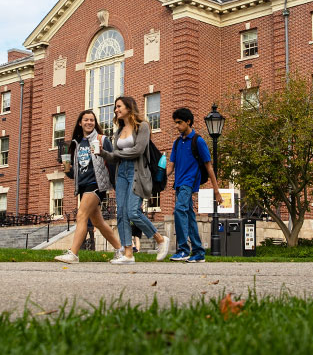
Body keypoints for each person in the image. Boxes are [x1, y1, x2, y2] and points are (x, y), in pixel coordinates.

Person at [98, 97, 171, 264]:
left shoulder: (142, 126)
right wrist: (103, 153)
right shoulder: (118, 131)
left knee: (133, 211)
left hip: (136, 172)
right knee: (121, 213)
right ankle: (128, 254)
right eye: (115, 107)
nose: (115, 110)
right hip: (121, 172)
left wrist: (115, 154)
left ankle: (160, 239)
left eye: (118, 106)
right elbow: (114, 157)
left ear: (129, 108)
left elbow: (138, 150)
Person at [54, 110, 124, 264]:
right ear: (80, 122)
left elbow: (112, 162)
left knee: (81, 216)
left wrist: (116, 185)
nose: (89, 122)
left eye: (92, 120)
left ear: (95, 123)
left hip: (96, 185)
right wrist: (67, 170)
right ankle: (120, 250)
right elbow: (75, 173)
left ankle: (73, 254)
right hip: (83, 186)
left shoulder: (102, 139)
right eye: (86, 120)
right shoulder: (77, 144)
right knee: (98, 222)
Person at [167, 107, 222, 263]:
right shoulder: (177, 142)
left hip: (189, 183)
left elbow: (209, 167)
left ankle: (183, 249)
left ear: (188, 122)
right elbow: (171, 166)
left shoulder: (198, 141)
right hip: (178, 184)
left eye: (179, 123)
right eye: (175, 123)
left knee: (179, 210)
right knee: (189, 216)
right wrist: (159, 178)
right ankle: (198, 252)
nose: (176, 126)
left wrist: (216, 191)